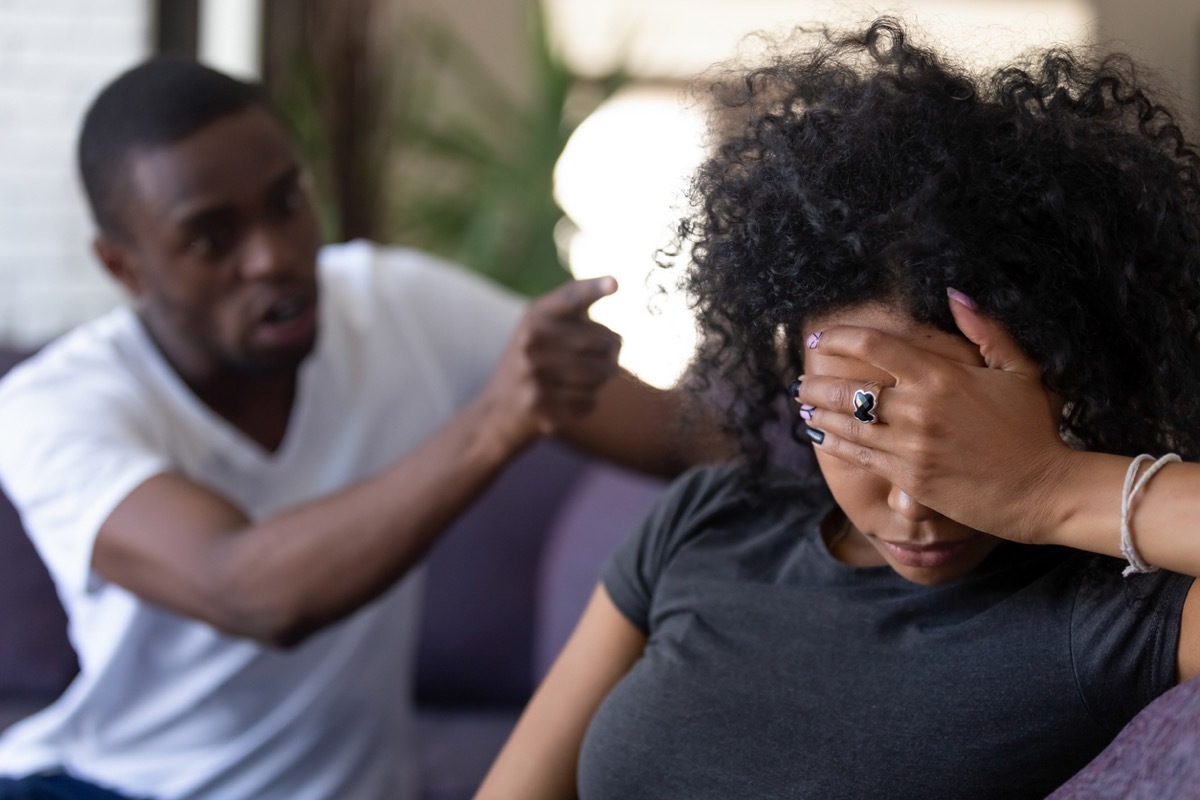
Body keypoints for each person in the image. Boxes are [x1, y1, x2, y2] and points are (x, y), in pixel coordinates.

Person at [474, 17, 1200, 800]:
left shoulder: (1112, 617)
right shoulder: (707, 523)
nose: (913, 498)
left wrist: (1046, 488)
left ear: (1061, 375)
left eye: (953, 426)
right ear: (795, 364)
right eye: (864, 420)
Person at [0, 58, 726, 800]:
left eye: (285, 203)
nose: (273, 258)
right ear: (124, 266)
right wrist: (495, 423)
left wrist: (839, 407)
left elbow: (680, 436)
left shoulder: (394, 304)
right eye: (213, 239)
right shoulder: (49, 408)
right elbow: (245, 588)